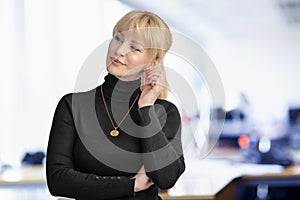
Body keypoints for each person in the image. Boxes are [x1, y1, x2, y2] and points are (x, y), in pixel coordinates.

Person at [46, 10, 185, 200]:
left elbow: (166, 178)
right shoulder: (72, 106)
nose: (119, 50)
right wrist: (131, 185)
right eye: (118, 39)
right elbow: (58, 180)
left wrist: (146, 107)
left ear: (153, 62)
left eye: (134, 47)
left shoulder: (164, 112)